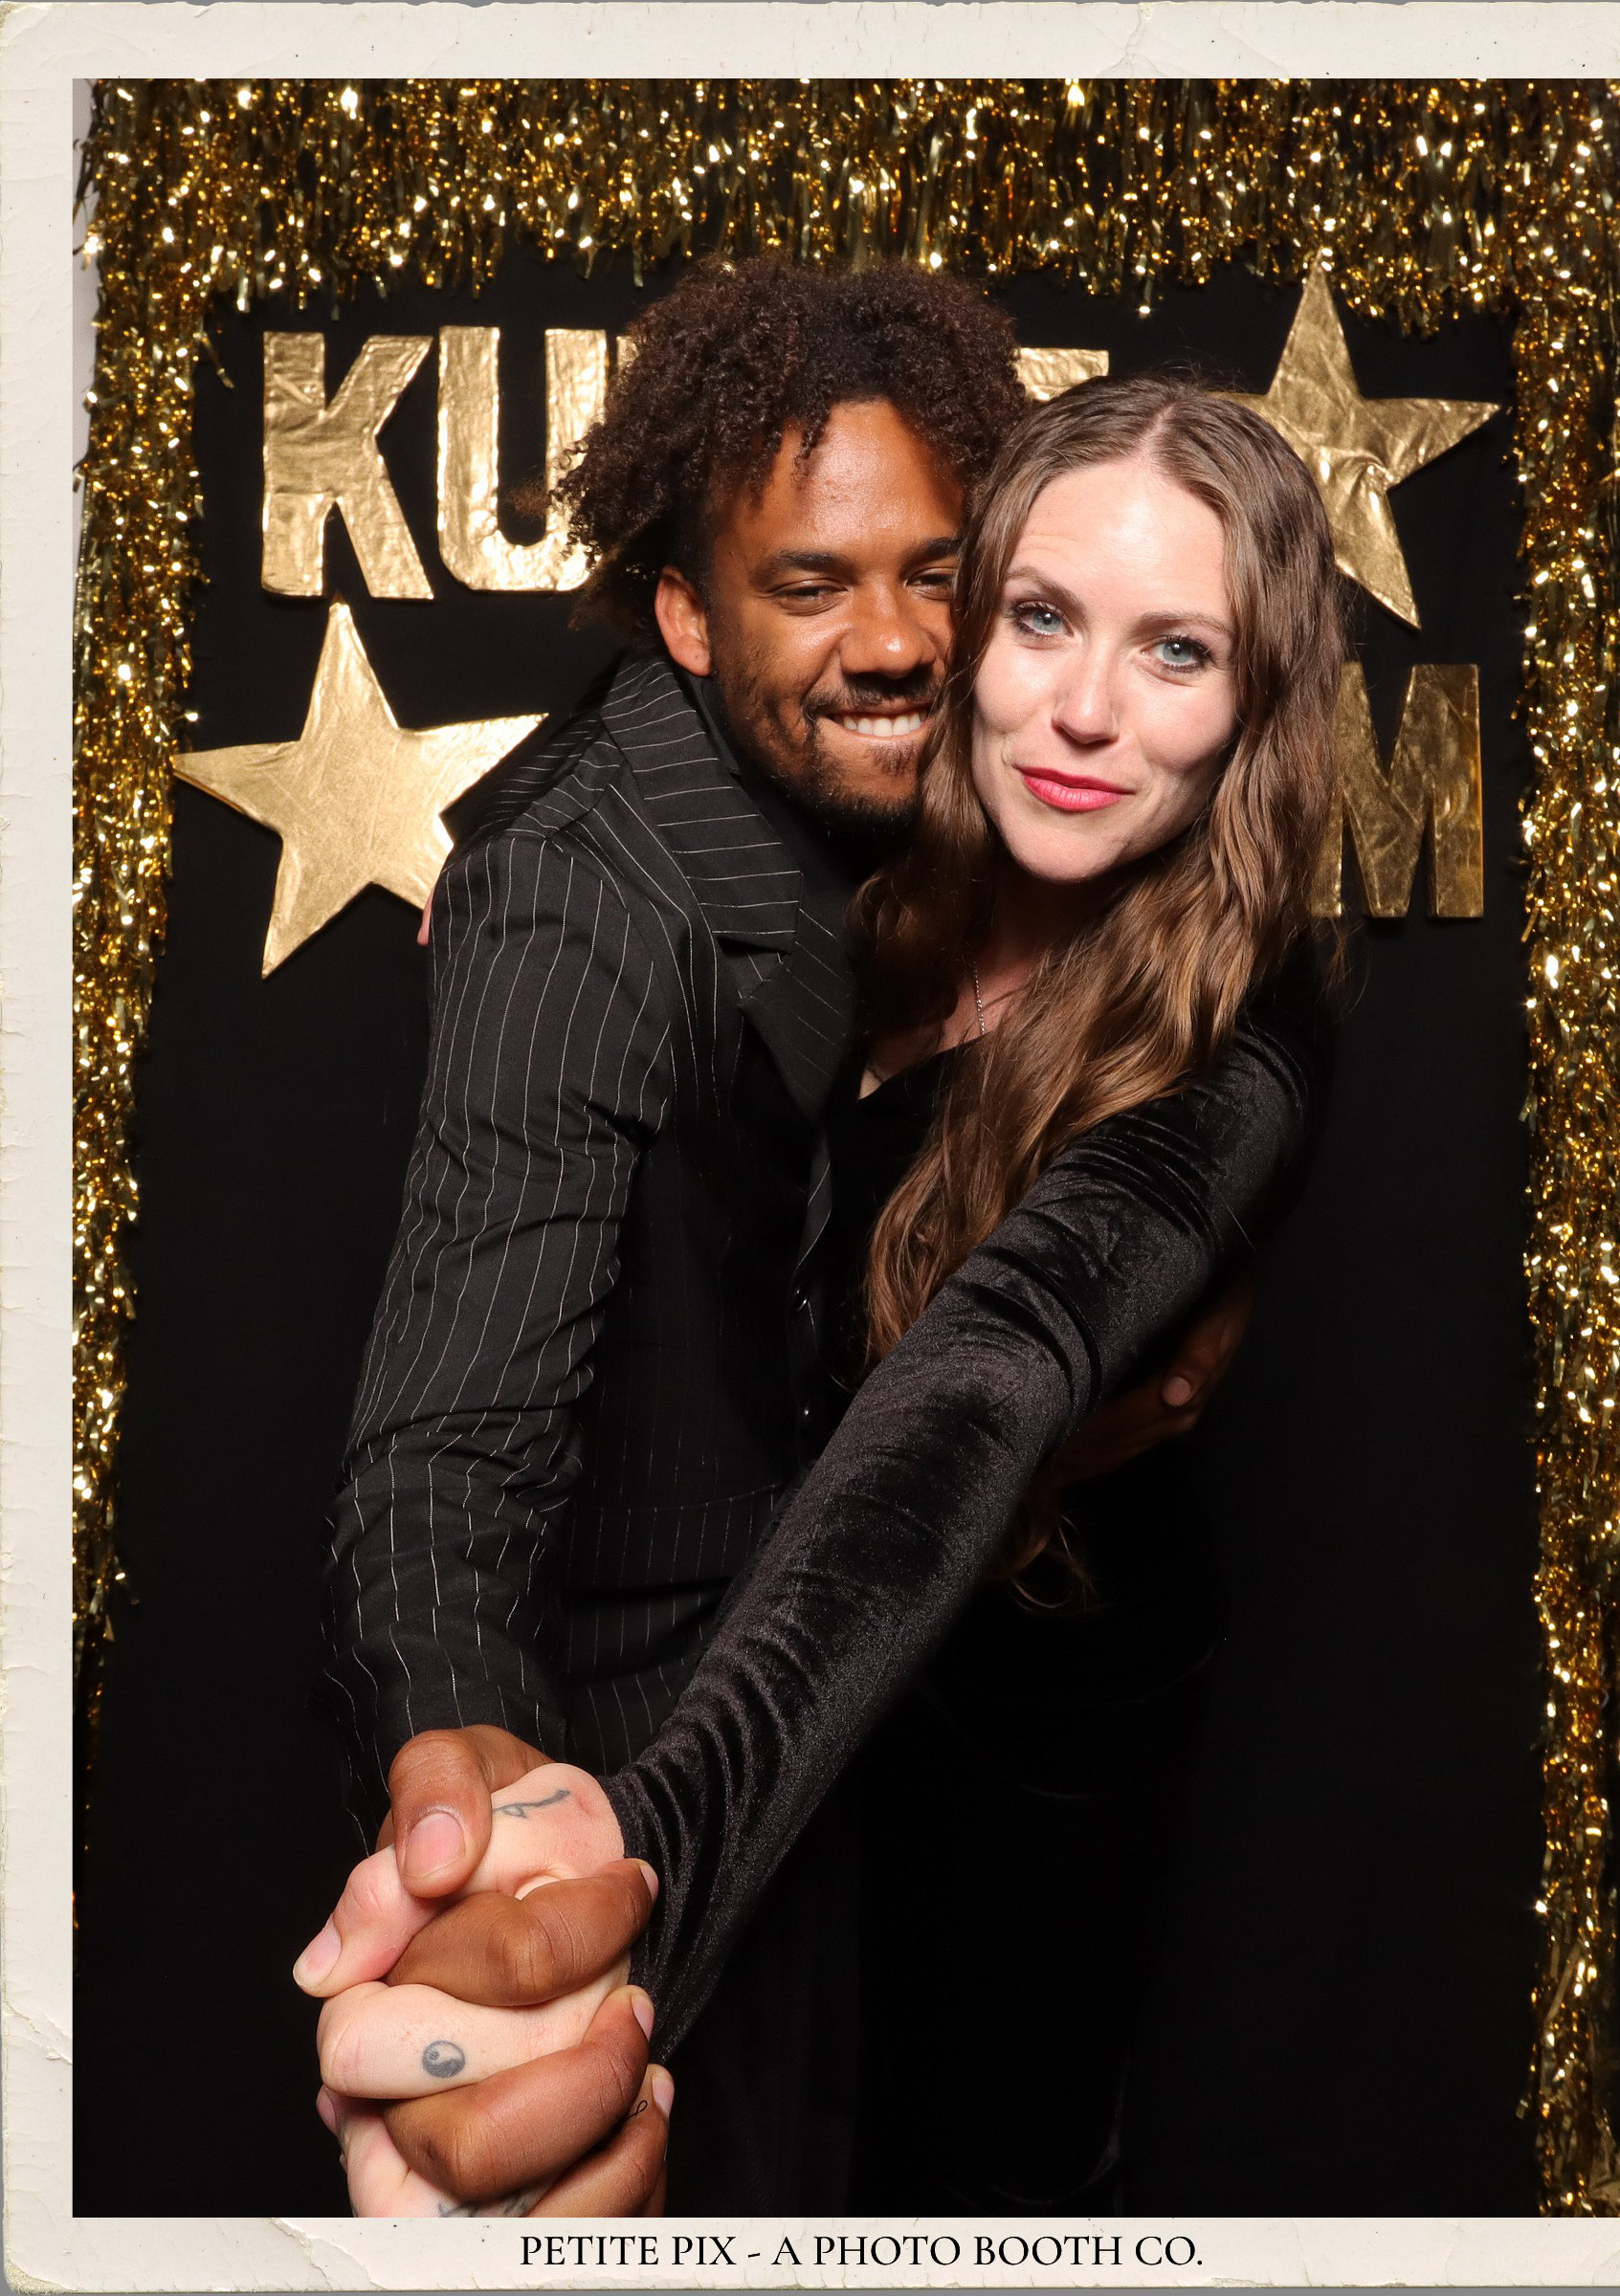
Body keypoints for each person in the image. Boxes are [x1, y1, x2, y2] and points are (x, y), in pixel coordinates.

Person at [300, 365, 1341, 2216]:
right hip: (783, 1696)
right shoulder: (873, 866)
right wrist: (524, 855)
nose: (1085, 710)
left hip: (1010, 1773)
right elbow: (670, 706)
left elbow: (980, 1385)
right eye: (1042, 618)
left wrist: (652, 1872)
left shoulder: (1237, 1040)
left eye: (1178, 651)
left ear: (1257, 703)